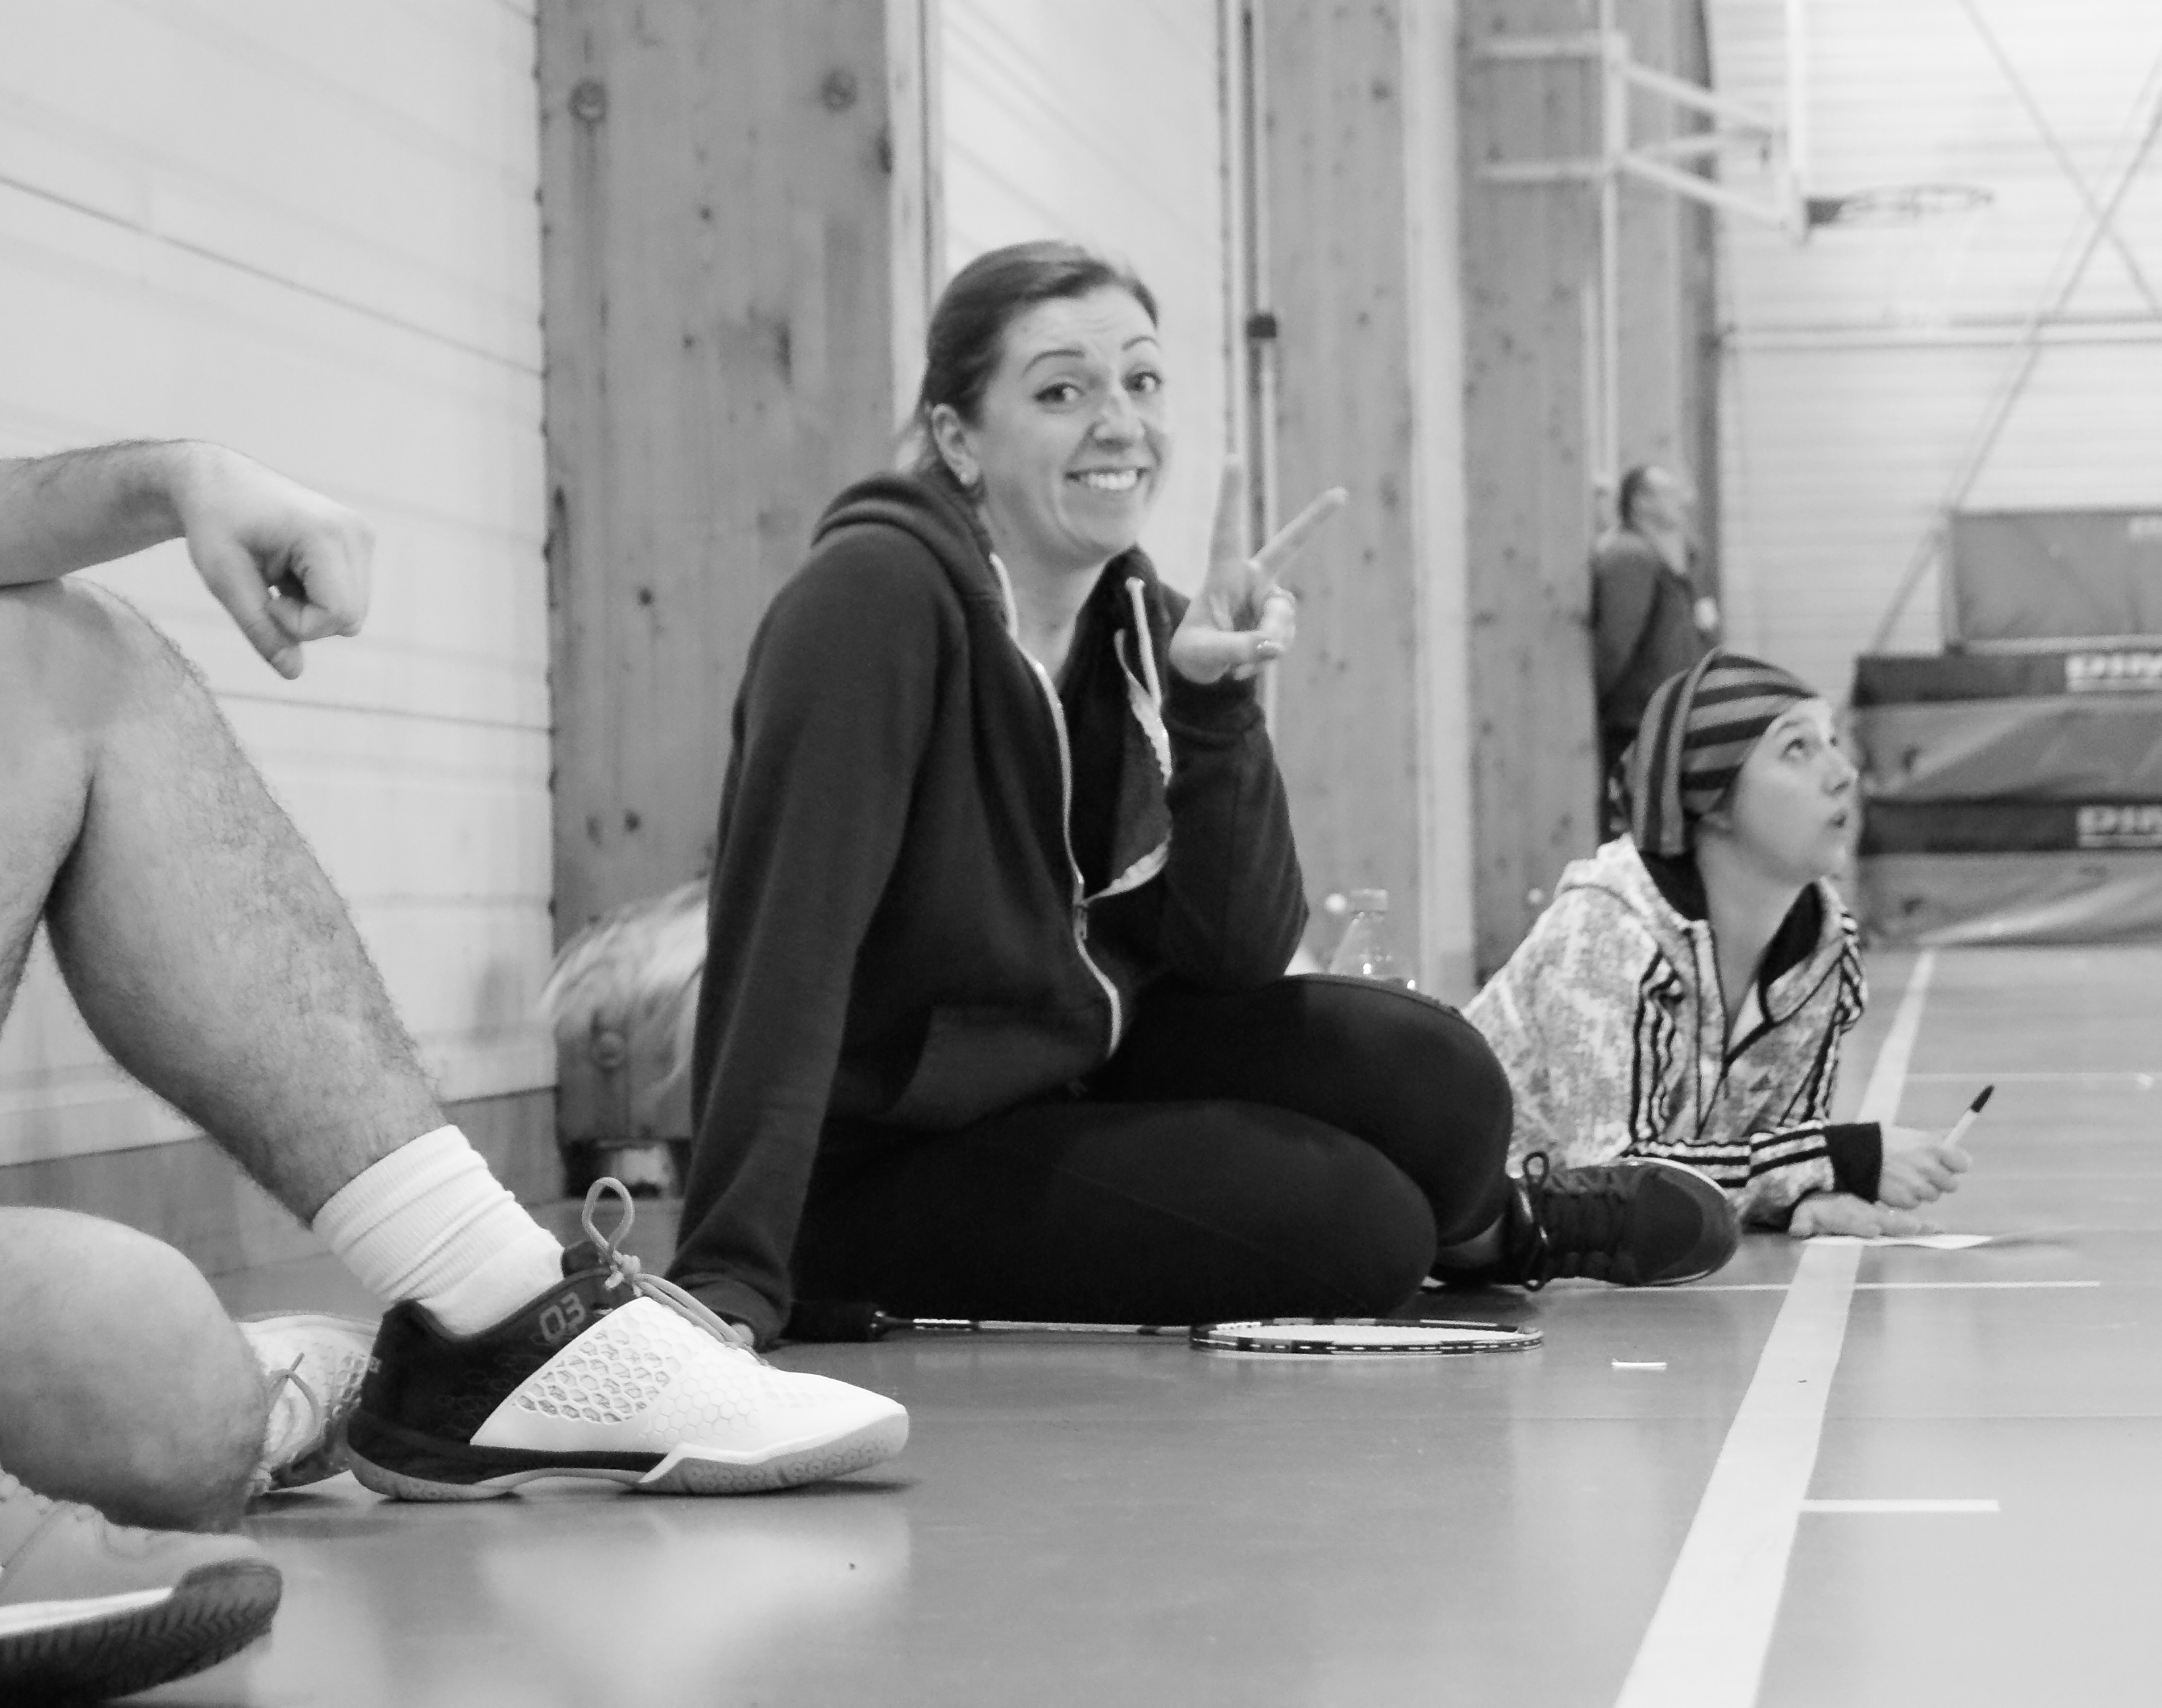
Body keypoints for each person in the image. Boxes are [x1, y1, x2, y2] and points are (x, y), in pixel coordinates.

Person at [667, 242, 1740, 1344]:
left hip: (1077, 1068)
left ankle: (1502, 1234)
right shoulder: (871, 603)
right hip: (886, 1151)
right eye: (1061, 391)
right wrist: (732, 1270)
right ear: (956, 437)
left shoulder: (1142, 622)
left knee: (1440, 1076)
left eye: (1140, 381)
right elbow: (785, 944)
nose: (1119, 423)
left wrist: (1215, 709)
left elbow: (1236, 958)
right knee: (1356, 1231)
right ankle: (1457, 1236)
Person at [0, 441, 905, 1700]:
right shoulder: (885, 588)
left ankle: (498, 1314)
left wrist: (179, 480)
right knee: (168, 1399)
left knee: (63, 648)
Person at [1467, 651, 1973, 1239]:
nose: (1843, 774)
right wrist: (1838, 1158)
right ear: (1712, 799)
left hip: (1549, 1259)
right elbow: (1608, 1184)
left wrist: (1803, 1197)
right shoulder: (1606, 928)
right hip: (1444, 1234)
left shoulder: (1825, 952)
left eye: (1833, 742)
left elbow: (1772, 1152)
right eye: (1797, 749)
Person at [1591, 464, 1719, 836]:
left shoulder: (1666, 558)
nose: (1683, 500)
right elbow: (1614, 647)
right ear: (1641, 503)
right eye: (1670, 493)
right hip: (1638, 725)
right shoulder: (1631, 557)